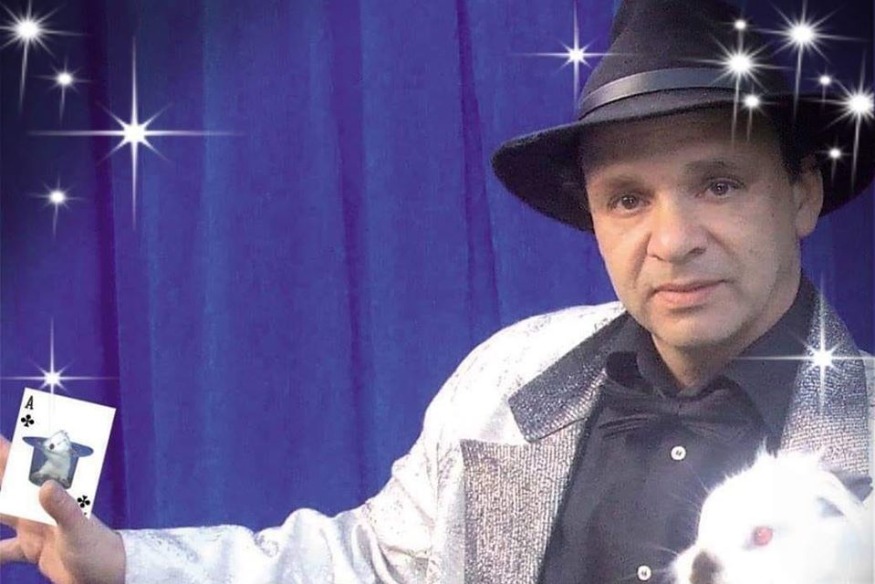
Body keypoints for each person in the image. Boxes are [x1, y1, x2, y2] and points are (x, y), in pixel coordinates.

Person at [1, 0, 873, 582]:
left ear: (801, 194)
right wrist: (123, 563)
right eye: (626, 199)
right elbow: (371, 563)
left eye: (718, 184)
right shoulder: (509, 375)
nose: (672, 239)